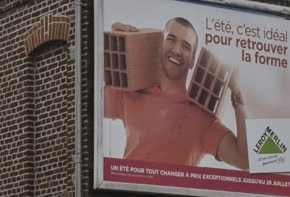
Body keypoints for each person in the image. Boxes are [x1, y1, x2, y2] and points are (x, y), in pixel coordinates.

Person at [104, 17, 249, 170]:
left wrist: (236, 89)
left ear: (193, 60)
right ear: (160, 46)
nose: (176, 50)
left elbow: (245, 160)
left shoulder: (202, 117)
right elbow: (86, 103)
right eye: (171, 40)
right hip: (127, 192)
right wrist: (107, 49)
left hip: (172, 193)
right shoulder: (131, 93)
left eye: (186, 46)